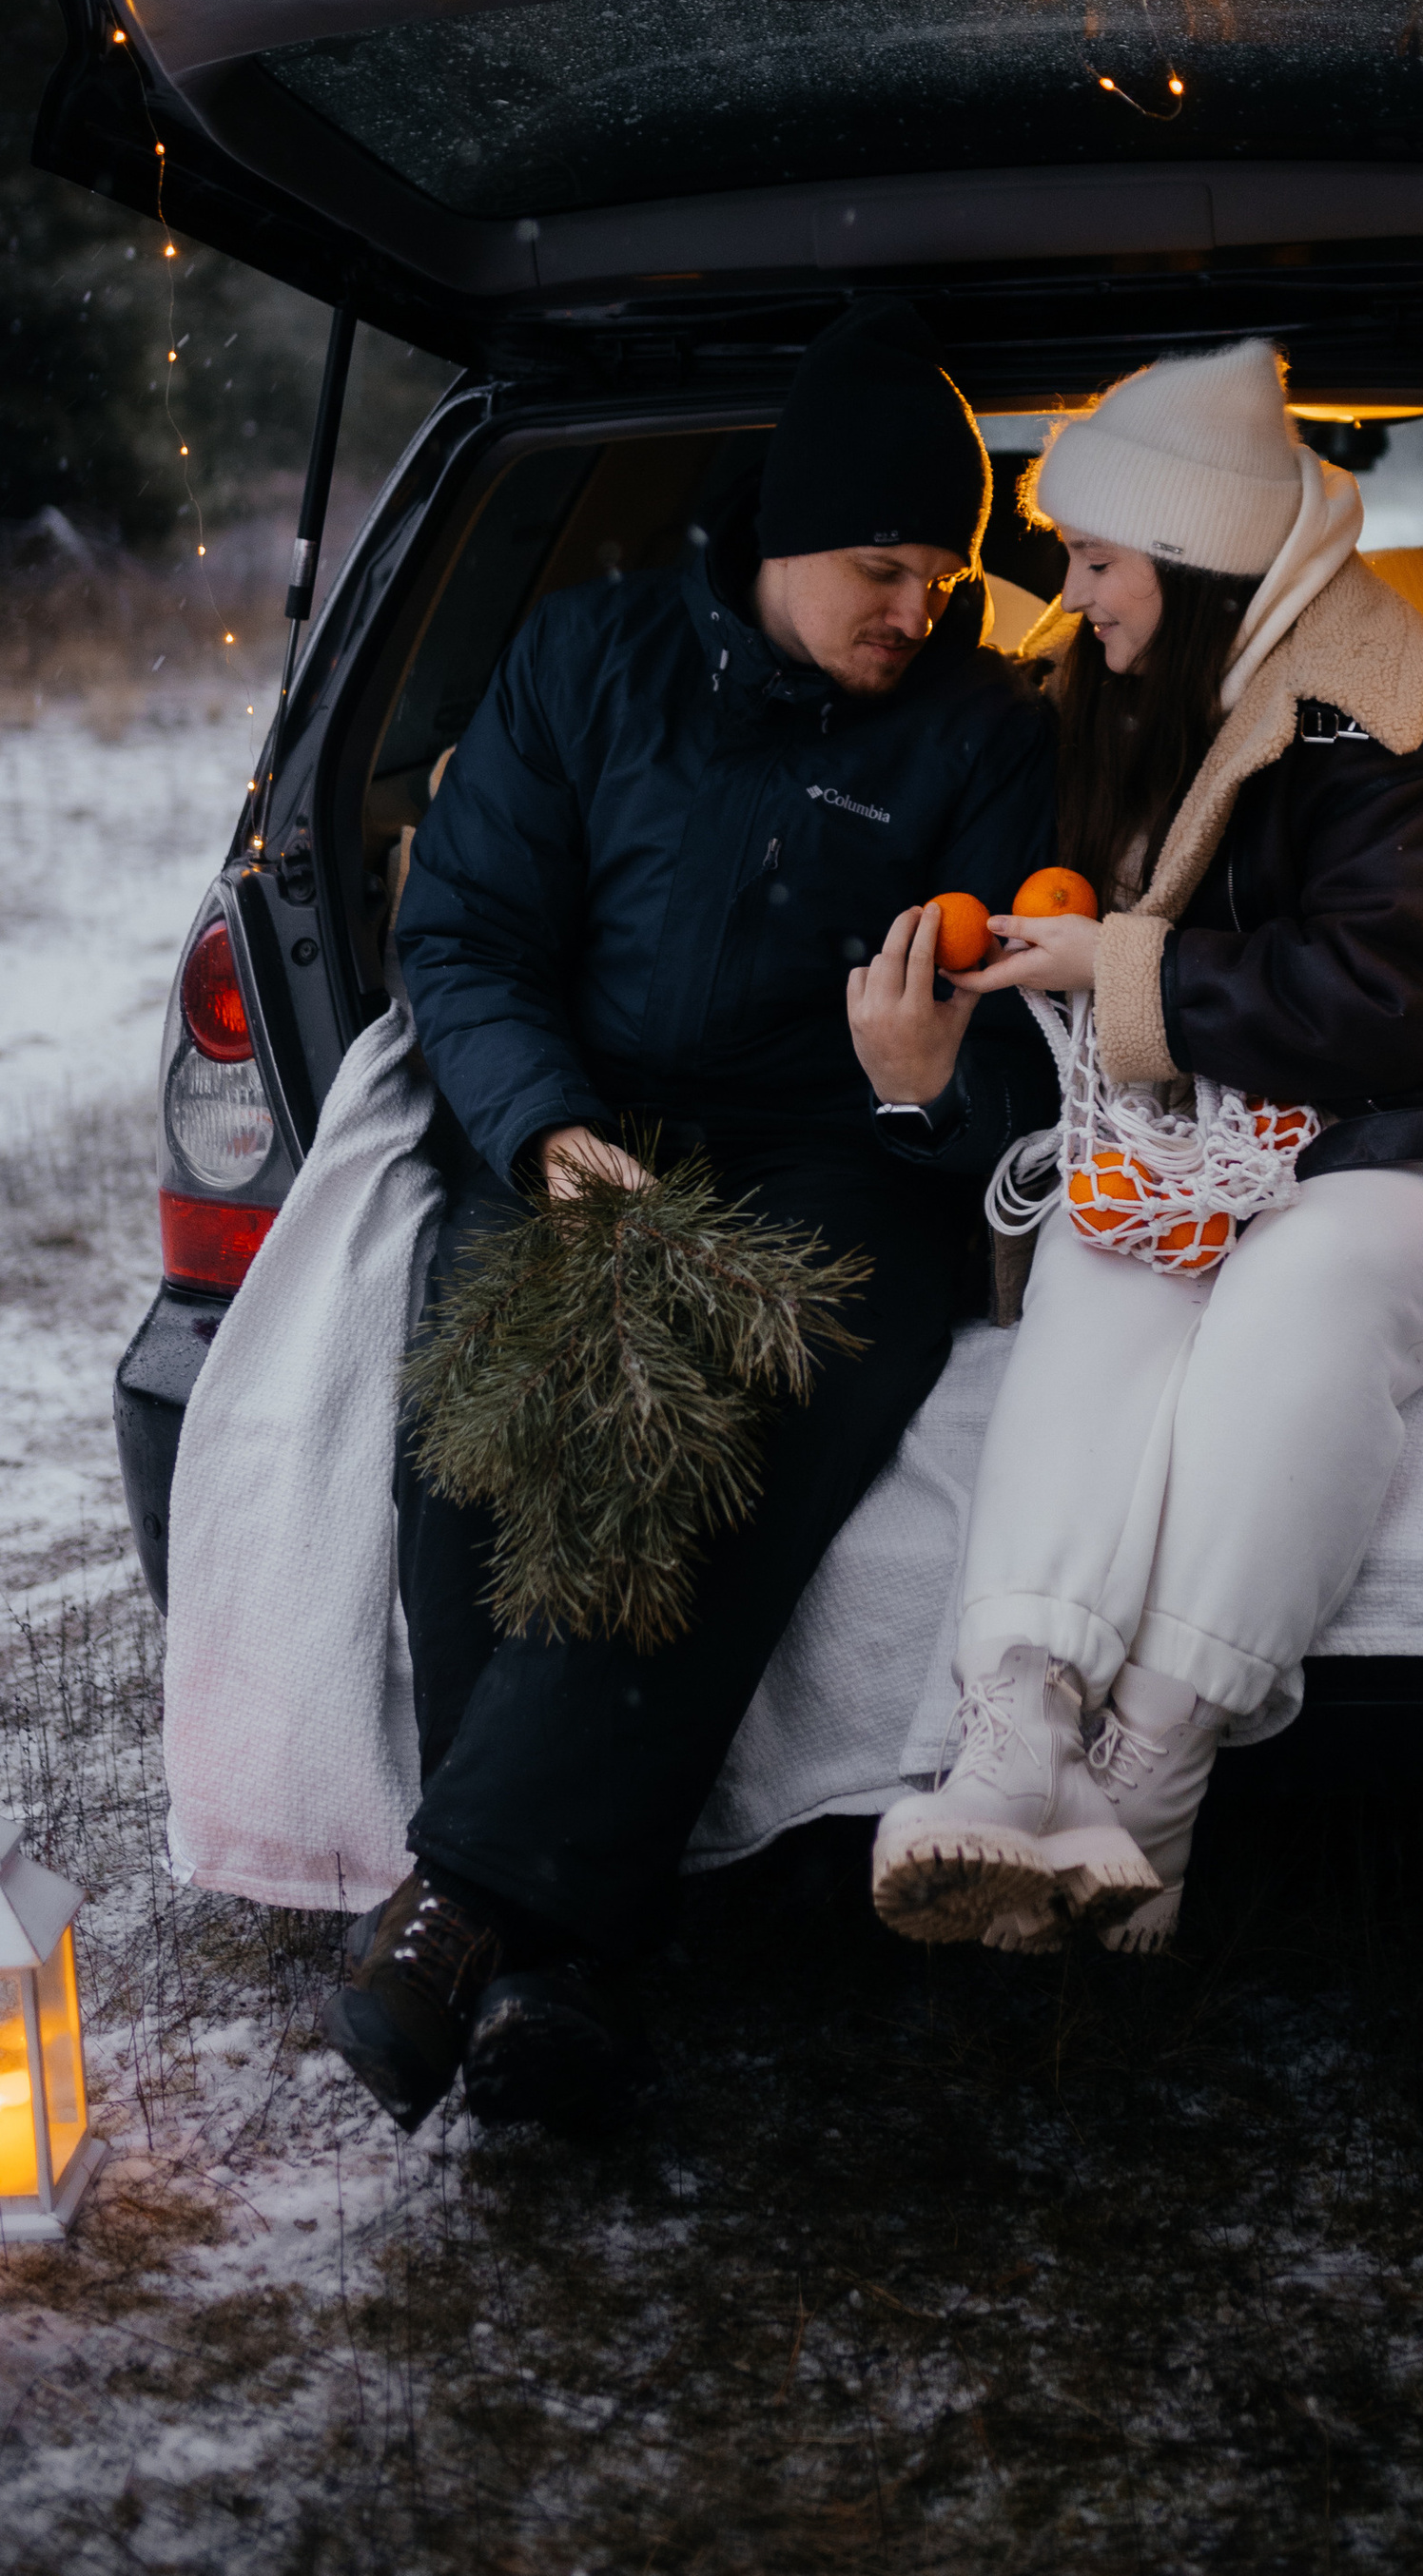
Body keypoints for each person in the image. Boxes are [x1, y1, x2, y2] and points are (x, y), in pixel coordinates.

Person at [327, 300, 1057, 2134]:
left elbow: (1031, 1074)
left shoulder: (981, 737)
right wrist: (550, 1134)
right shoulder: (589, 659)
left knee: (725, 1428)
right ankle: (558, 1973)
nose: (923, 609)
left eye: (948, 574)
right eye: (887, 569)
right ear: (793, 539)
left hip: (842, 1168)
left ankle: (456, 1914)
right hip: (596, 1132)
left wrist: (915, 1085)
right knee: (489, 1425)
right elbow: (467, 934)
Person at [869, 337, 1423, 1954]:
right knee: (1100, 1251)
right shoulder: (1105, 686)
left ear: (1203, 560)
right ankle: (1016, 1731)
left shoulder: (1377, 701)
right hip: (1220, 1133)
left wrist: (1126, 972)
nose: (1069, 596)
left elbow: (1421, 979)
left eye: (1095, 561)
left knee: (1301, 1296)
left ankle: (1153, 1771)